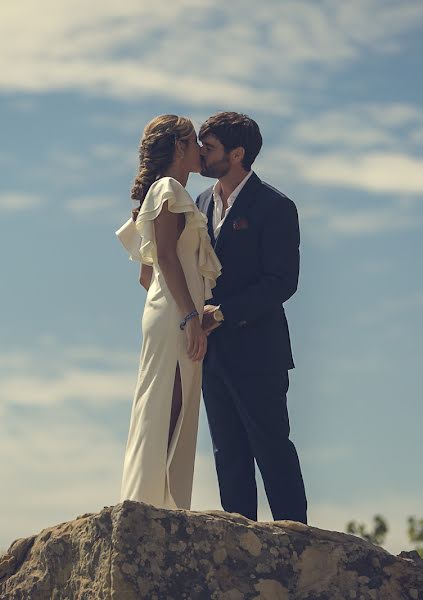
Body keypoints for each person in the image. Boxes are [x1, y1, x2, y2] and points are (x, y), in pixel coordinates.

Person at [195, 111, 308, 524]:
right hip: (211, 355)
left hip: (260, 353)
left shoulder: (275, 206)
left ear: (237, 154)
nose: (201, 156)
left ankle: (297, 543)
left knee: (273, 449)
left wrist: (225, 313)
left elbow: (283, 281)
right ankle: (239, 547)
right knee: (228, 456)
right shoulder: (201, 203)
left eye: (209, 149)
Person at [115, 115, 222, 510]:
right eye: (194, 141)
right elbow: (162, 258)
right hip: (174, 320)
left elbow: (149, 277)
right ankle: (148, 508)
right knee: (166, 411)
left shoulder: (163, 194)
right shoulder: (169, 189)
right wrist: (189, 317)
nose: (200, 150)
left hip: (168, 314)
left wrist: (194, 311)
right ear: (179, 147)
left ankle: (153, 505)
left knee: (165, 411)